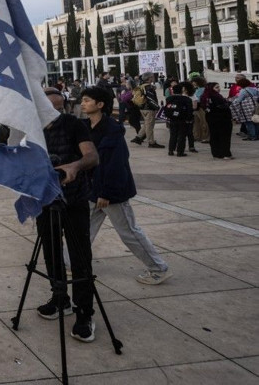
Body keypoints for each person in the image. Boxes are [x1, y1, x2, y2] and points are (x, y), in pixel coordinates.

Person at [79, 87, 172, 285]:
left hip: (110, 193)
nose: (82, 103)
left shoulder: (111, 130)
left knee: (129, 232)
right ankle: (72, 263)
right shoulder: (87, 127)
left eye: (87, 100)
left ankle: (158, 268)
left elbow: (115, 165)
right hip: (93, 190)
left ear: (100, 105)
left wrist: (106, 193)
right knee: (83, 229)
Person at [36, 88, 99, 342]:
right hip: (43, 199)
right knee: (51, 251)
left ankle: (85, 313)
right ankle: (59, 297)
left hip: (74, 200)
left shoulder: (73, 125)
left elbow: (92, 156)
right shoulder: (31, 127)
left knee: (80, 256)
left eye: (57, 108)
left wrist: (75, 165)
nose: (53, 113)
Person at [200, 82, 233, 159]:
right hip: (222, 119)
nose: (219, 89)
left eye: (219, 87)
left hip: (211, 118)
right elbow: (223, 107)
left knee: (214, 136)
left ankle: (216, 154)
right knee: (224, 136)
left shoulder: (204, 97)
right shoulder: (216, 96)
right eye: (216, 87)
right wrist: (228, 103)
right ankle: (225, 153)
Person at [131, 72, 164, 148]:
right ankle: (151, 142)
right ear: (149, 78)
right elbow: (150, 99)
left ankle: (138, 137)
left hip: (142, 108)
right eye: (152, 77)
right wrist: (157, 107)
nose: (154, 78)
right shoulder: (149, 87)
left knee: (146, 124)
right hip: (149, 108)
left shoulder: (141, 86)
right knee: (150, 126)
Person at [164, 83, 194, 157]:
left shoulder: (169, 98)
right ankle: (180, 151)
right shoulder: (187, 99)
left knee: (173, 134)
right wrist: (189, 119)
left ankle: (171, 150)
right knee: (182, 135)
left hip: (172, 119)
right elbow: (190, 110)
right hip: (182, 119)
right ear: (182, 90)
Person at [231, 76, 259, 141]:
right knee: (256, 121)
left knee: (249, 122)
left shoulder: (243, 90)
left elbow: (239, 100)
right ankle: (257, 136)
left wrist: (232, 102)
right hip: (255, 107)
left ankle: (252, 136)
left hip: (247, 108)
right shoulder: (254, 89)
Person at [191, 76, 209, 144]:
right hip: (196, 108)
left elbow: (198, 99)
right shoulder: (197, 89)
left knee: (203, 122)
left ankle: (205, 137)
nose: (193, 83)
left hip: (200, 107)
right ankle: (197, 136)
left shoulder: (202, 89)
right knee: (197, 123)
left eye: (194, 82)